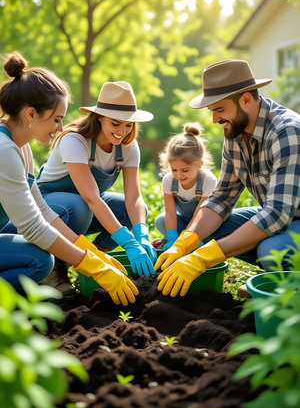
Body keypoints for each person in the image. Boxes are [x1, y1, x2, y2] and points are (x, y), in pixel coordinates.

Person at [0, 51, 138, 305]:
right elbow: (32, 226)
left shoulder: (21, 147)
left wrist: (91, 252)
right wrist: (91, 266)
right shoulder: (4, 150)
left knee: (41, 258)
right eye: (56, 119)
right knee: (39, 261)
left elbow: (42, 210)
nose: (60, 128)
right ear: (31, 114)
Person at [155, 59, 300, 298]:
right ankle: (273, 277)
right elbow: (221, 198)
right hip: (282, 216)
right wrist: (187, 241)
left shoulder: (287, 133)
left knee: (270, 249)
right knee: (204, 229)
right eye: (212, 112)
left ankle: (282, 288)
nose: (214, 120)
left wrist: (202, 258)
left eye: (219, 110)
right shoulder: (235, 133)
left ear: (245, 99)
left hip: (288, 216)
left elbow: (276, 215)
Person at [37, 81, 157, 291]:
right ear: (99, 117)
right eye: (116, 123)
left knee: (134, 212)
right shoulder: (74, 140)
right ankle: (57, 266)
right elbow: (91, 197)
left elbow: (134, 198)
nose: (122, 131)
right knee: (79, 206)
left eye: (129, 125)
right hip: (51, 206)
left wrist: (141, 234)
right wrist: (128, 243)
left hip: (87, 207)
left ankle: (95, 256)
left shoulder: (128, 146)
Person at [154, 122, 217, 251]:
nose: (179, 175)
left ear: (199, 164)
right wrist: (172, 238)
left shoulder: (208, 180)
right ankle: (172, 240)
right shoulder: (169, 180)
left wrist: (186, 240)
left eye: (185, 170)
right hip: (183, 222)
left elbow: (199, 216)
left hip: (204, 224)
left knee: (202, 243)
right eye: (174, 169)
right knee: (160, 220)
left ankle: (201, 244)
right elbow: (170, 213)